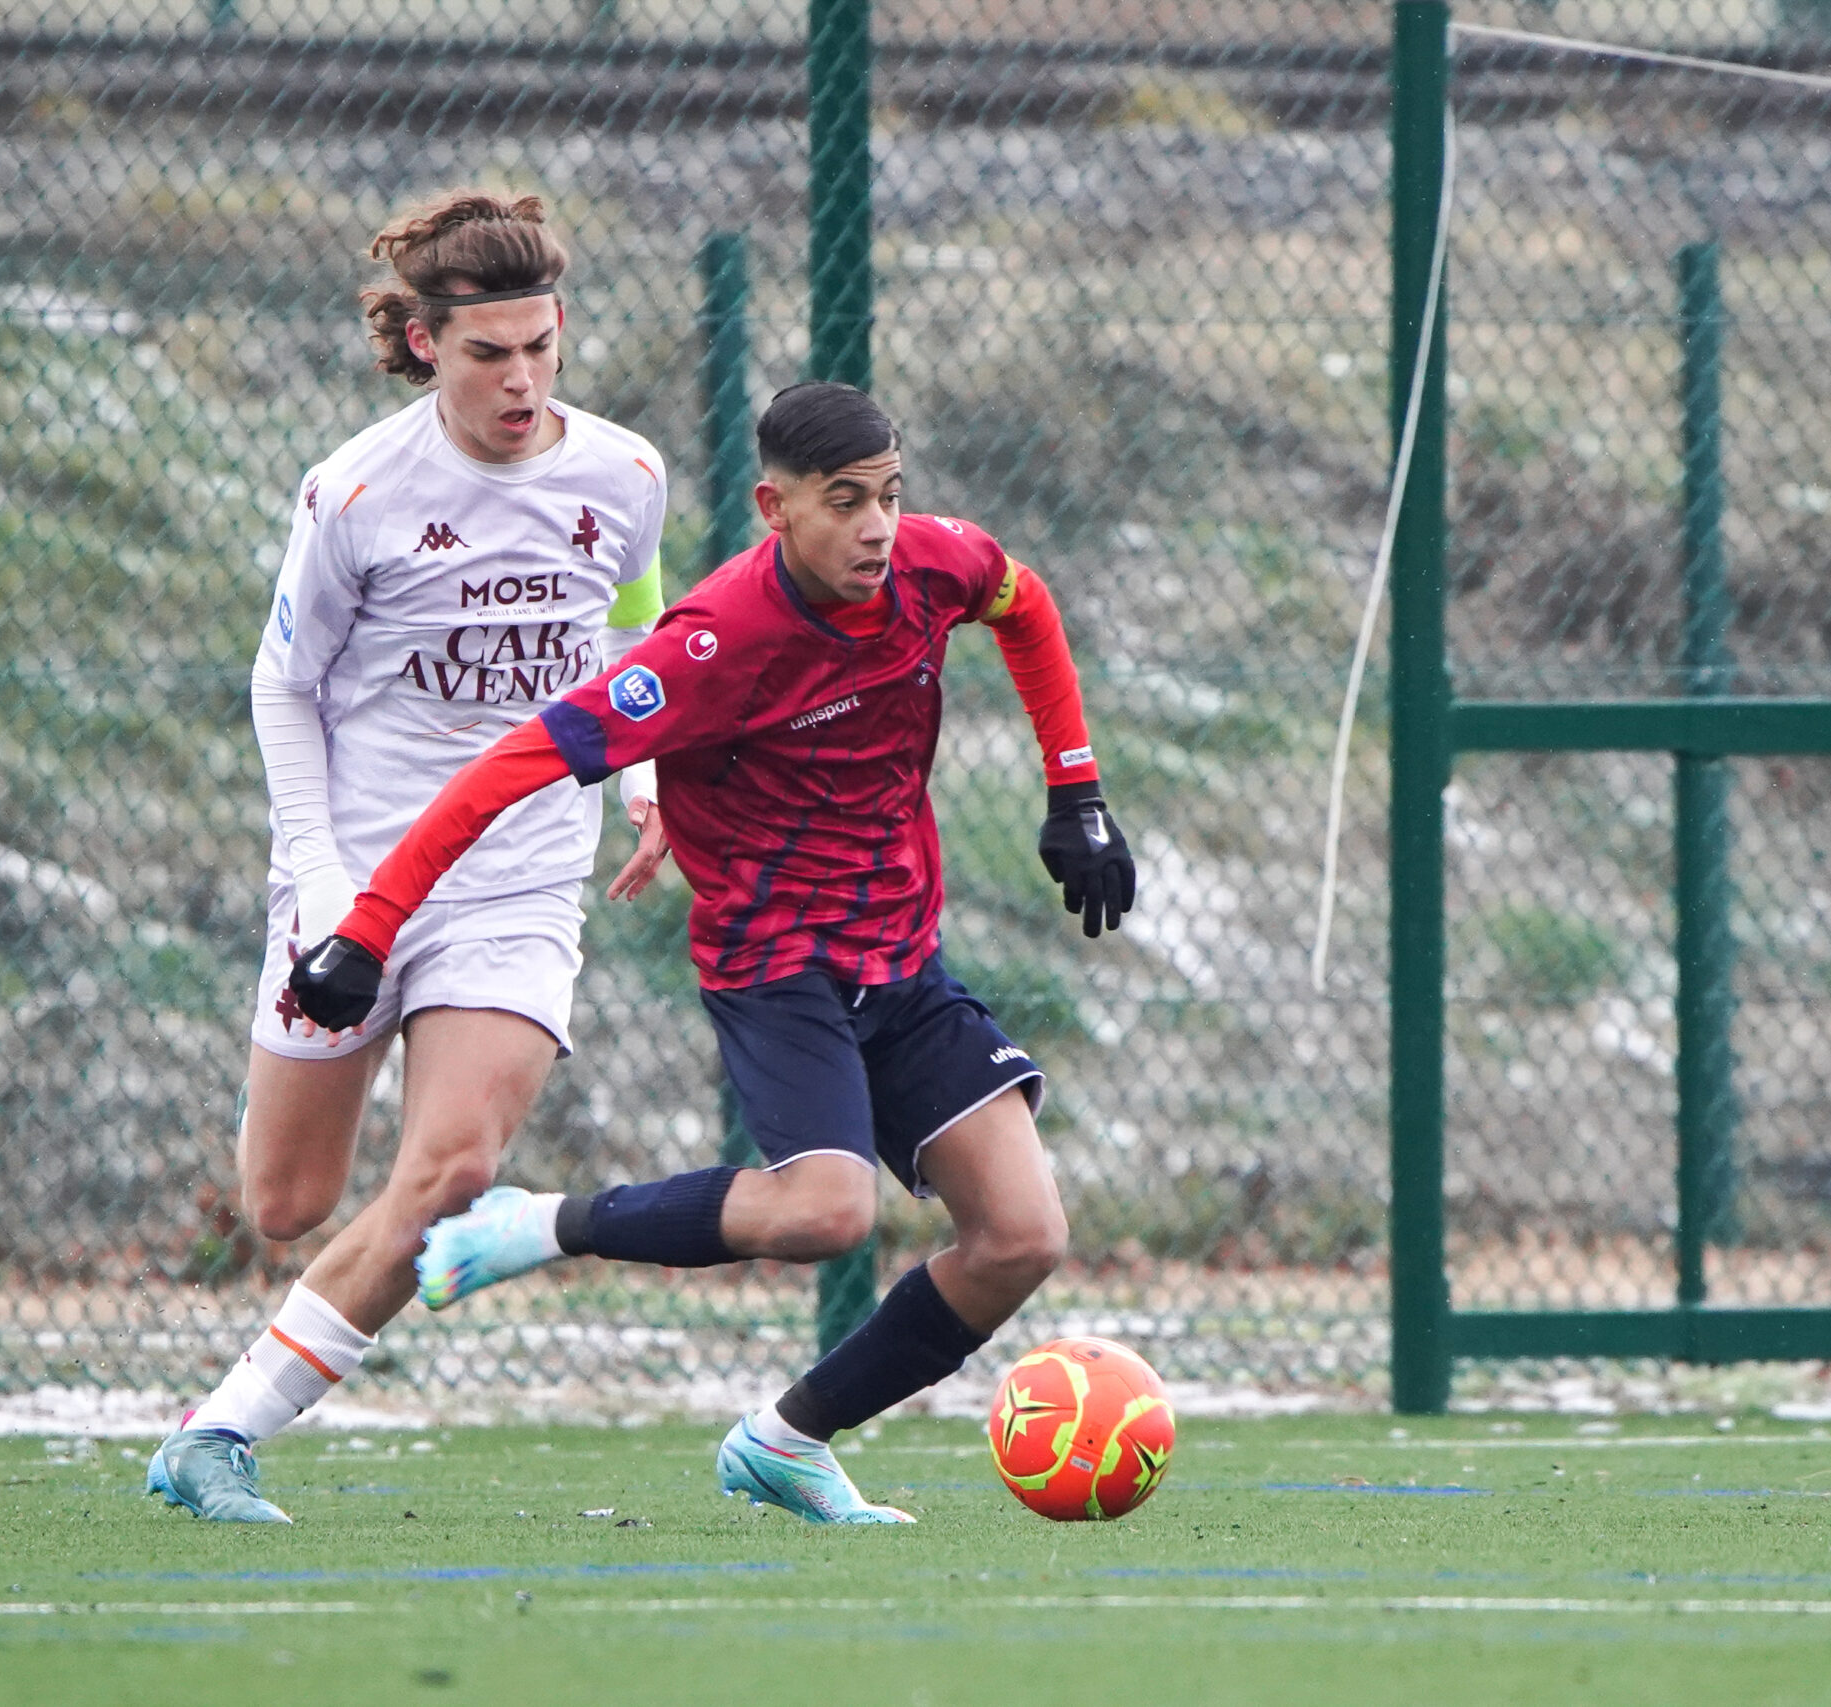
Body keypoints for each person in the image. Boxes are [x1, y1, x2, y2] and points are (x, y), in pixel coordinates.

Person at [287, 381, 1137, 1524]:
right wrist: (368, 927)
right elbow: (507, 768)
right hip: (776, 966)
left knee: (1023, 1237)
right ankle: (545, 1223)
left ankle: (786, 1441)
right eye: (846, 502)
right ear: (775, 508)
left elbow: (1022, 604)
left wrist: (1076, 789)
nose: (878, 527)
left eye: (890, 496)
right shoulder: (712, 642)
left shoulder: (933, 565)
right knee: (826, 1213)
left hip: (902, 960)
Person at [147, 190, 675, 1523]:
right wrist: (327, 885)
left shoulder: (625, 474)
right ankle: (293, 1084)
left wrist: (647, 773)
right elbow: (282, 688)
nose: (522, 381)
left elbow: (634, 620)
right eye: (489, 353)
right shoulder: (357, 491)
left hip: (517, 873)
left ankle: (220, 1432)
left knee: (451, 1174)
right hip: (360, 870)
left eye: (541, 347)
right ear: (425, 342)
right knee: (285, 1201)